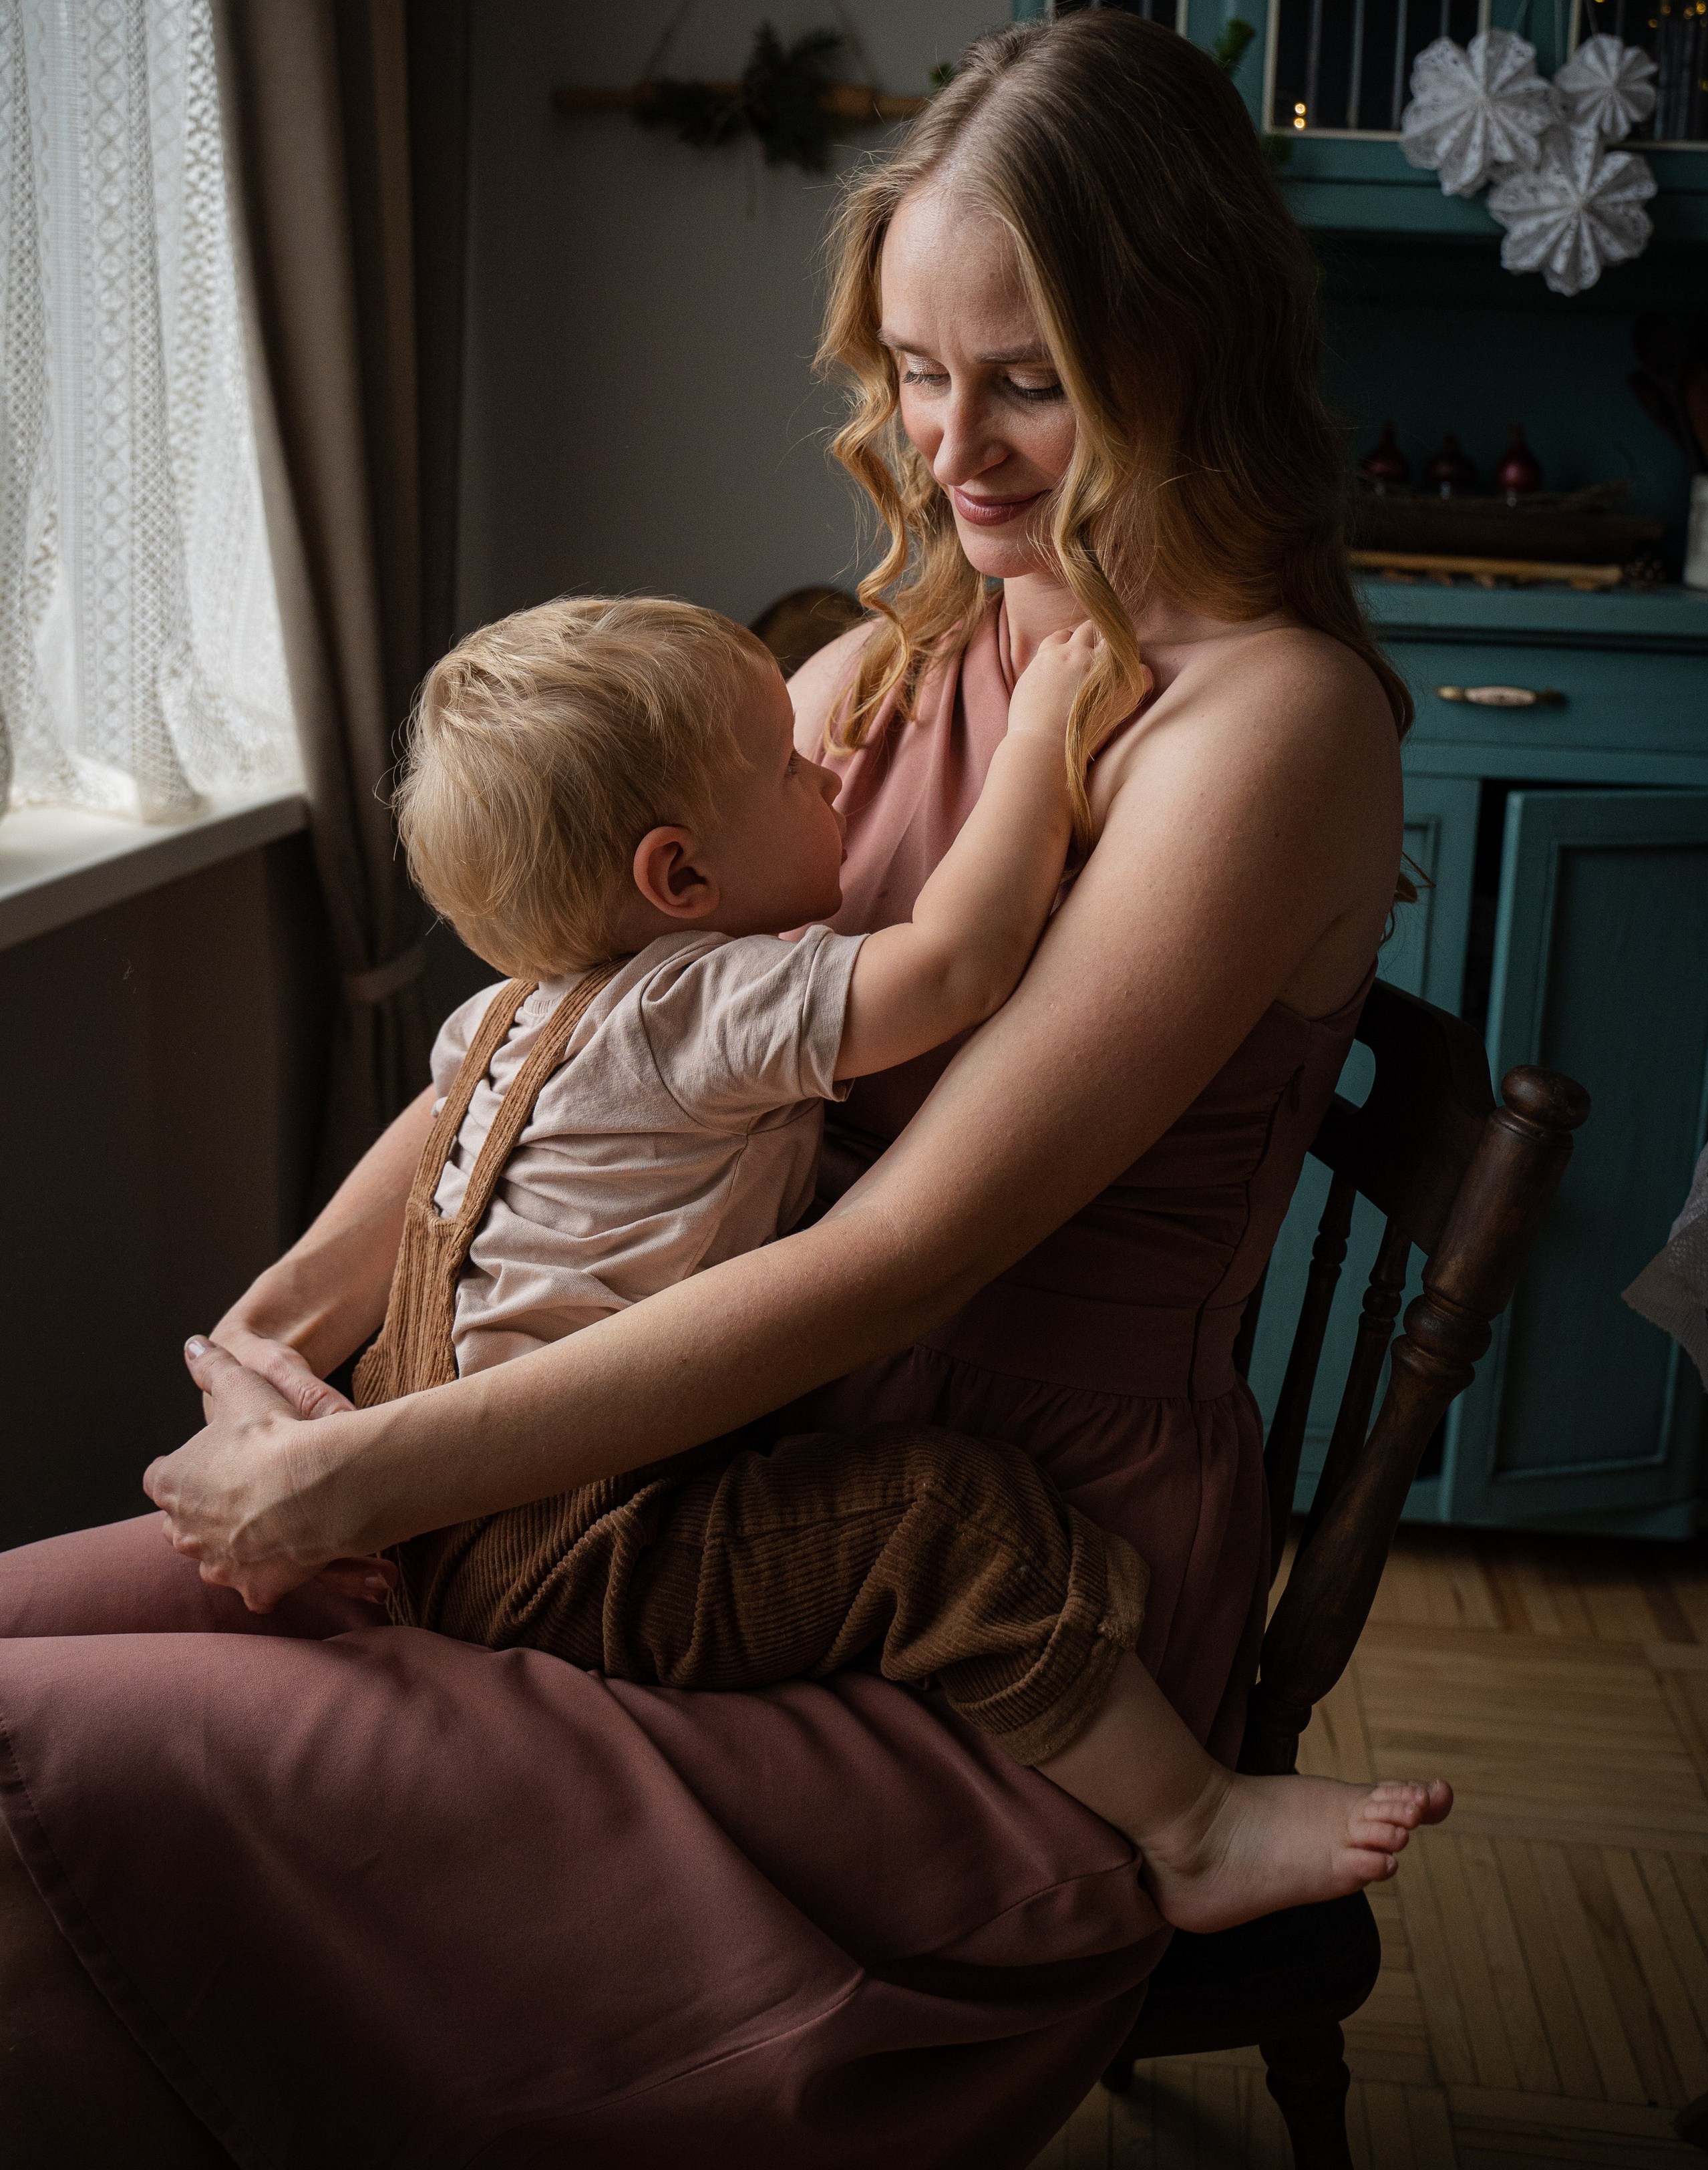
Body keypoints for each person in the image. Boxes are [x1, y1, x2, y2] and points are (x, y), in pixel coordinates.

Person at [0, 11, 1418, 2170]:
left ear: (1193, 339)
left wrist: (375, 1488)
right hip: (676, 1459)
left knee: (53, 1766)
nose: (955, 455)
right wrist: (277, 1338)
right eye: (922, 377)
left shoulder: (1269, 732)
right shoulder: (887, 658)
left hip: (991, 1604)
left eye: (1027, 380)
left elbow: (901, 1254)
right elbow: (574, 1020)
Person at [341, 587, 1447, 1900]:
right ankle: (1192, 1828)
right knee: (946, 1524)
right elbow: (958, 963)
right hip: (589, 1534)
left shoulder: (500, 1025)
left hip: (453, 1478)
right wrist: (1040, 734)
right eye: (789, 773)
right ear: (680, 878)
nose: (827, 774)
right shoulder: (715, 997)